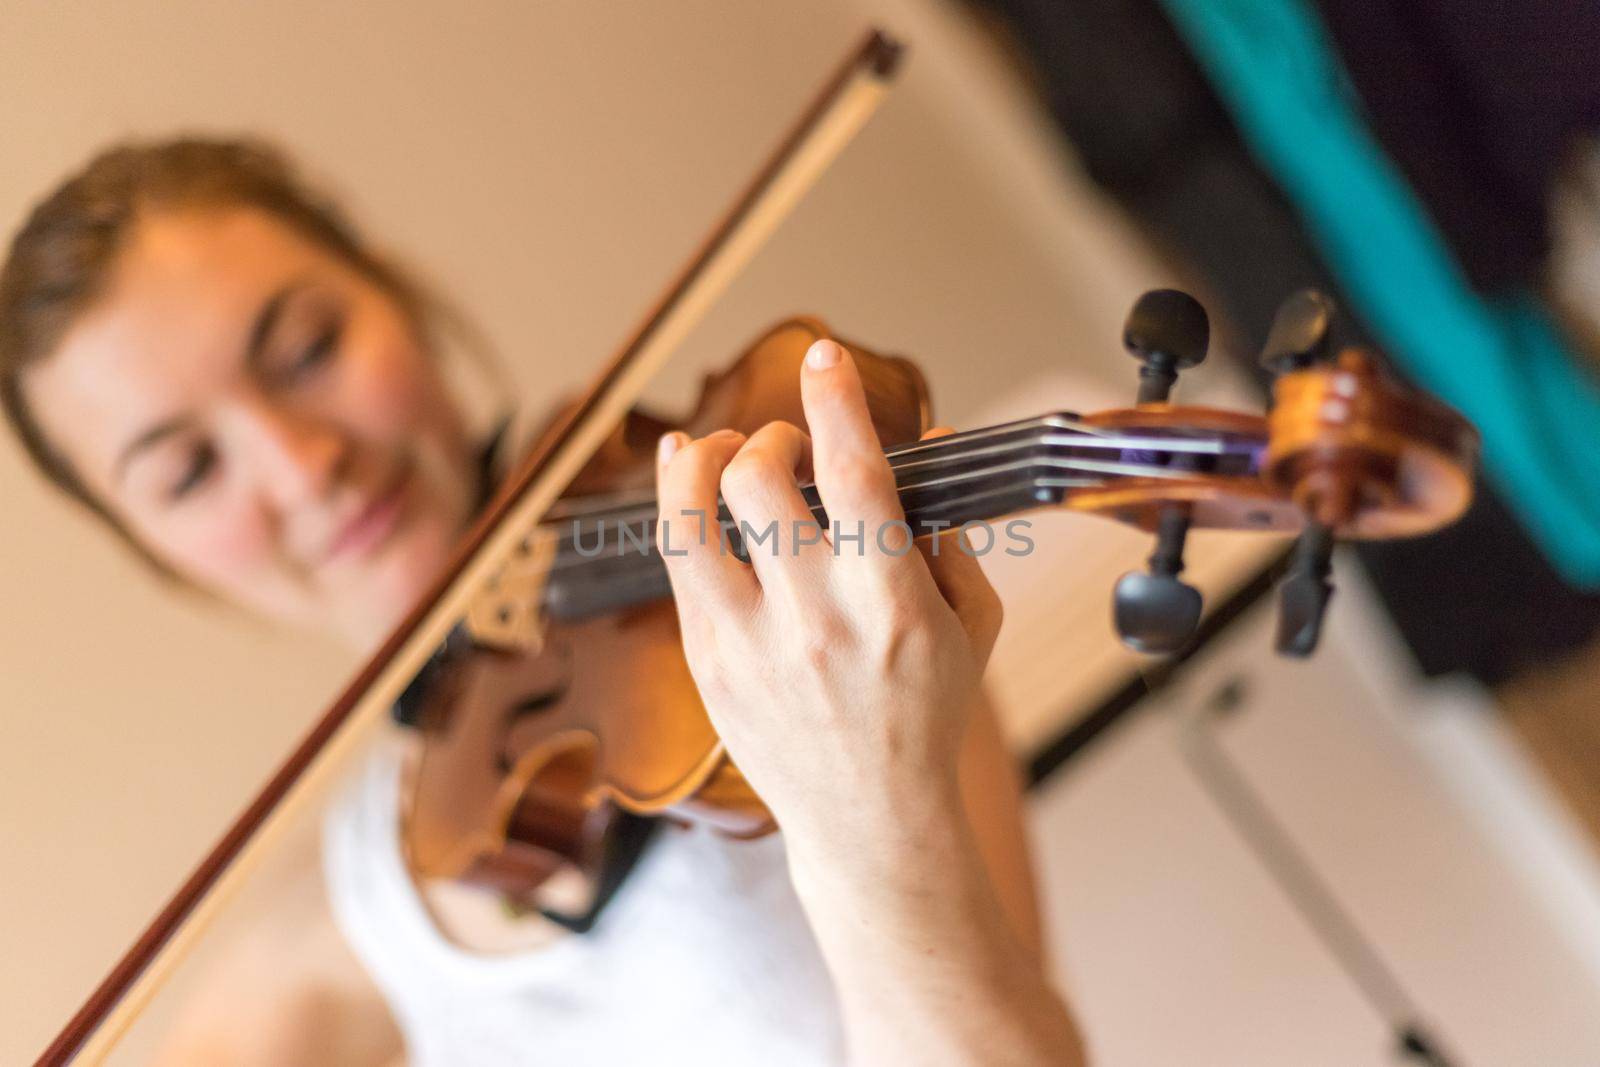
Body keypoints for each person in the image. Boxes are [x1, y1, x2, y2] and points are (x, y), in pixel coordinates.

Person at [0, 138, 1083, 1065]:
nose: (301, 465)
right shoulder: (352, 906)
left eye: (307, 349)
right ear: (162, 556)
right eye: (189, 470)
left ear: (399, 297)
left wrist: (873, 813)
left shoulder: (784, 586)